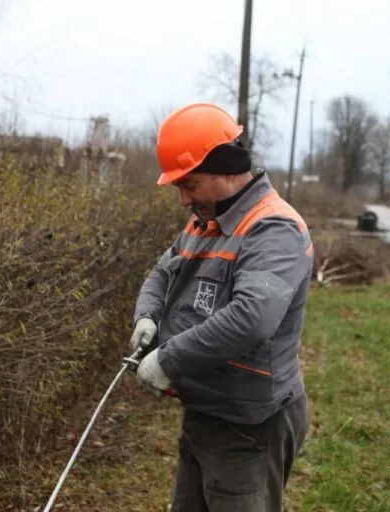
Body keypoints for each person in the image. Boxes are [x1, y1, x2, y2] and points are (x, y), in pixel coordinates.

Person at [129, 102, 313, 512]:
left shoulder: (273, 229)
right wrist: (147, 315)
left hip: (249, 425)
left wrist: (169, 359)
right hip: (206, 410)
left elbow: (252, 318)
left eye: (189, 184)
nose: (182, 198)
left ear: (228, 168)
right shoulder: (204, 218)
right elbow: (163, 272)